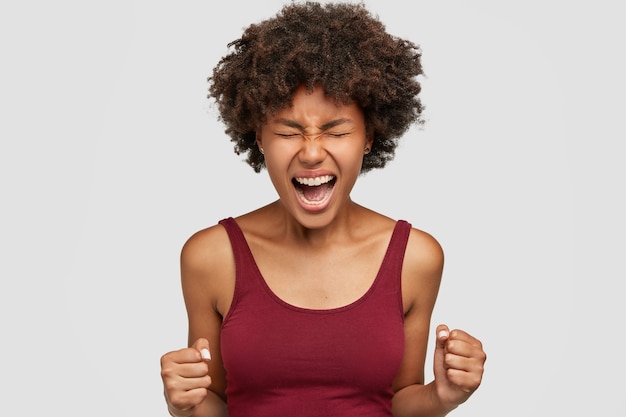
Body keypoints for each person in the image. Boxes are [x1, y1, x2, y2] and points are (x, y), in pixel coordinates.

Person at [160, 2, 486, 416]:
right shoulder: (210, 256)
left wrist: (443, 396)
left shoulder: (415, 258)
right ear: (258, 137)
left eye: (336, 130)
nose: (312, 153)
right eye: (287, 131)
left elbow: (400, 398)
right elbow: (215, 401)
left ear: (369, 136)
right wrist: (186, 405)